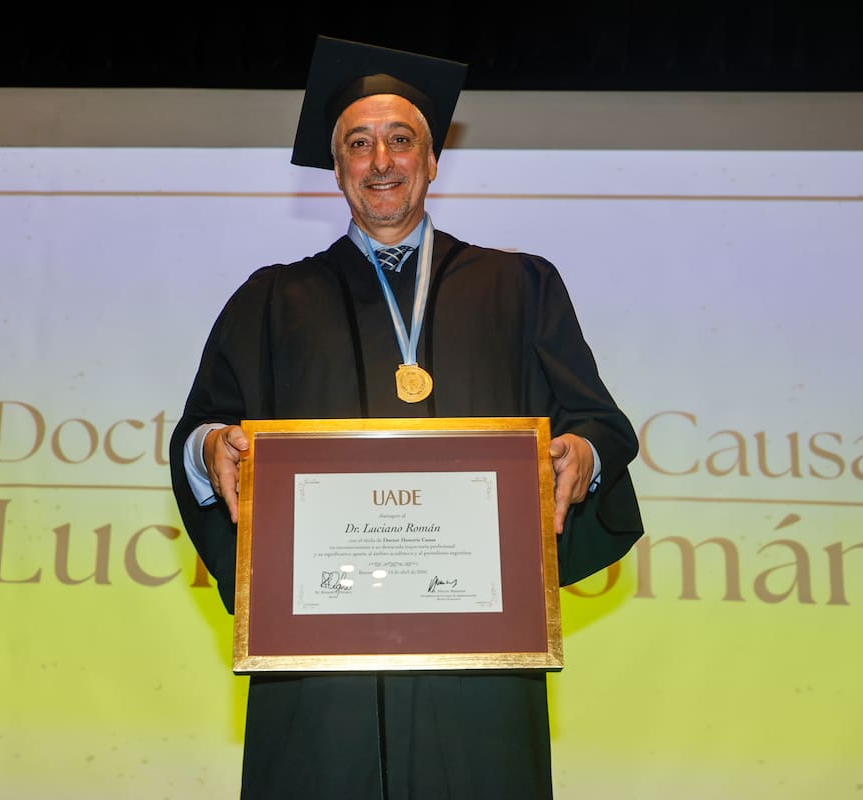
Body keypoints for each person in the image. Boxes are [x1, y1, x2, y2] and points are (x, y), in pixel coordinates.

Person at [168, 35, 644, 800]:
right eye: (358, 143)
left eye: (401, 140)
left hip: (476, 654)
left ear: (430, 162)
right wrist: (209, 448)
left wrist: (583, 454)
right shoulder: (271, 300)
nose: (380, 160)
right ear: (337, 168)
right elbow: (201, 429)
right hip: (319, 663)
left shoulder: (520, 286)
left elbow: (600, 424)